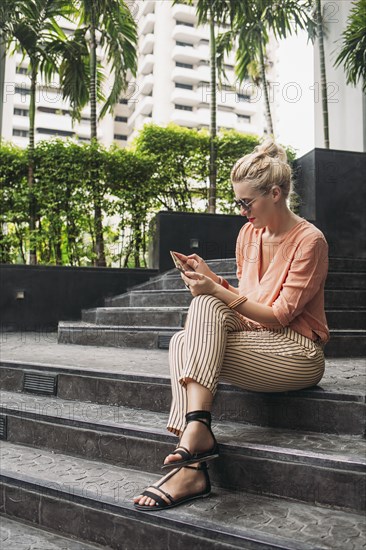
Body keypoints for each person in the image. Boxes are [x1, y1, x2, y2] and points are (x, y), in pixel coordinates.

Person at [133, 139, 329, 511]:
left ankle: (193, 454)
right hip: (258, 339)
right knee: (185, 332)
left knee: (187, 339)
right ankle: (195, 435)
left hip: (297, 353)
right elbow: (247, 298)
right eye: (238, 203)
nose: (241, 211)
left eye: (246, 203)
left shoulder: (310, 241)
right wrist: (214, 282)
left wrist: (215, 291)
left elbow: (280, 315)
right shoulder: (248, 235)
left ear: (275, 193)